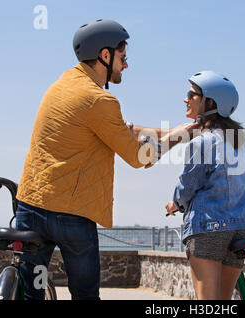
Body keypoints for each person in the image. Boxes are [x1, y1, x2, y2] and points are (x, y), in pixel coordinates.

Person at [15, 19, 197, 300]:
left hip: (30, 206)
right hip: (71, 215)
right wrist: (185, 133)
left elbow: (125, 131)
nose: (126, 65)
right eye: (123, 57)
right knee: (86, 295)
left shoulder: (61, 87)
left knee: (31, 293)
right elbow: (138, 155)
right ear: (105, 55)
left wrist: (181, 131)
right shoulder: (100, 100)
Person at [165, 71, 245, 300]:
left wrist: (175, 204)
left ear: (210, 102)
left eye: (192, 94)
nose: (186, 99)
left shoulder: (202, 142)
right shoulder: (242, 138)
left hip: (207, 228)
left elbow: (188, 185)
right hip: (238, 228)